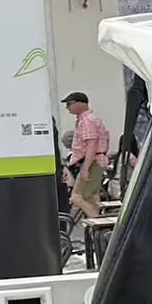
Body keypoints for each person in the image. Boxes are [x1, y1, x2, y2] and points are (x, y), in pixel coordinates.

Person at [62, 93, 110, 222]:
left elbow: (91, 145)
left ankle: (99, 223)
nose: (67, 108)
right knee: (90, 198)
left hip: (91, 162)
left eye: (69, 104)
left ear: (81, 103)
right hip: (93, 161)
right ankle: (98, 227)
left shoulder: (87, 120)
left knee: (77, 197)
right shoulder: (87, 119)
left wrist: (85, 168)